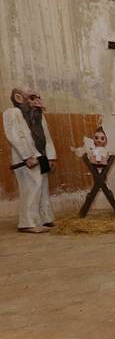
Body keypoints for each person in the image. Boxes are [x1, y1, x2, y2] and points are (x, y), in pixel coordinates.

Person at [3, 88, 56, 233]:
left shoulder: (39, 116)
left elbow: (47, 136)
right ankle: (28, 222)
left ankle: (45, 218)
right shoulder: (13, 113)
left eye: (38, 97)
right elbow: (14, 135)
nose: (37, 101)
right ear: (19, 98)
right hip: (27, 158)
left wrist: (51, 156)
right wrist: (26, 155)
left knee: (43, 186)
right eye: (32, 98)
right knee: (32, 186)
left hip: (42, 155)